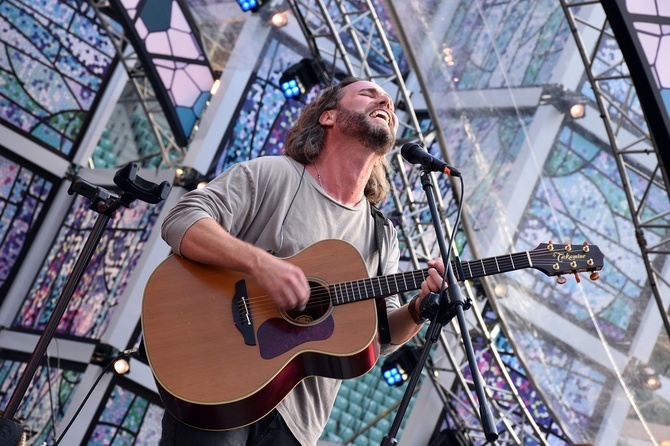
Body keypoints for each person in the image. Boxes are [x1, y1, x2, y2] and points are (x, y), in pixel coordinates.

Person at [158, 77, 447, 445]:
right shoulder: (274, 175)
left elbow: (379, 338)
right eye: (369, 94)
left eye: (390, 103)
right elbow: (182, 219)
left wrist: (419, 309)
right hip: (219, 380)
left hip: (298, 424)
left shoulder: (381, 235)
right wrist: (262, 265)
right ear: (328, 116)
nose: (386, 103)